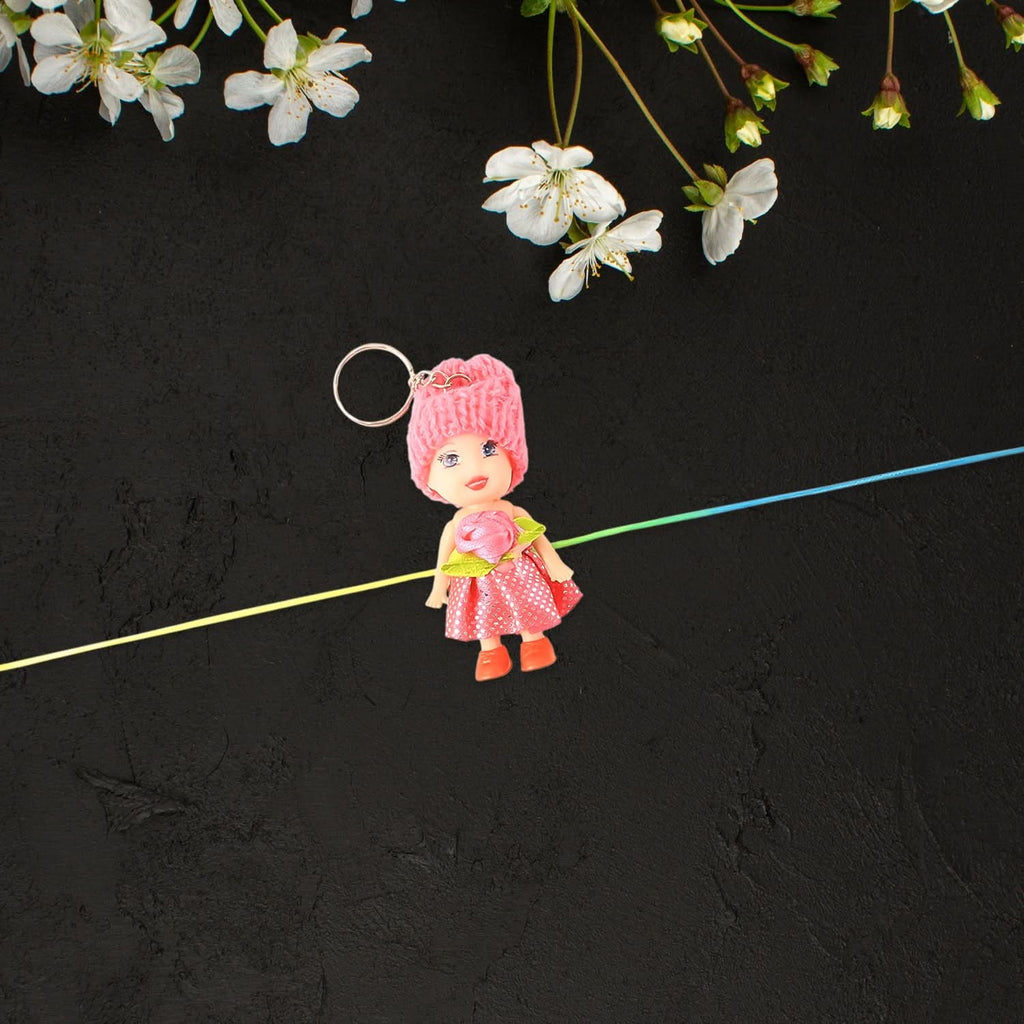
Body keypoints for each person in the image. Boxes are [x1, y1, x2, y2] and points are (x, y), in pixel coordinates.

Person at [407, 354, 582, 681]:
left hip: (520, 575)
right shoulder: (455, 525)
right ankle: (491, 652)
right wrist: (438, 588)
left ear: (512, 456)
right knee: (485, 615)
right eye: (450, 459)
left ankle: (534, 642)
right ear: (428, 477)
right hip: (478, 583)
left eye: (489, 450)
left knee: (528, 606)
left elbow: (536, 536)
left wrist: (554, 563)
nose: (475, 469)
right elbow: (444, 560)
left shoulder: (511, 511)